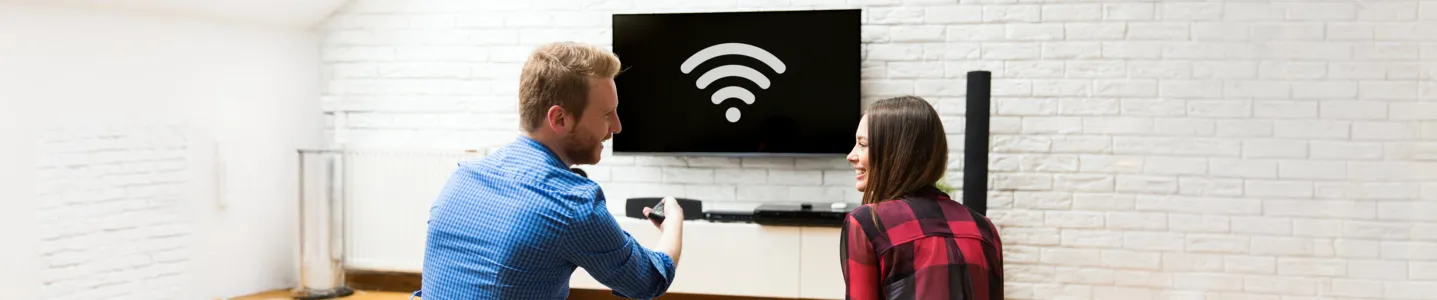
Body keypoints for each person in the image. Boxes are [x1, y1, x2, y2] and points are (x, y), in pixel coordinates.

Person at [420, 41, 685, 300]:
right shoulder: (573, 203)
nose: (616, 127)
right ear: (559, 119)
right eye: (607, 114)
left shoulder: (461, 178)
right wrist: (673, 223)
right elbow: (648, 280)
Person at [839, 96, 1003, 300]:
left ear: (895, 152)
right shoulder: (984, 228)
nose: (851, 155)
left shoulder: (867, 223)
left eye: (862, 145)